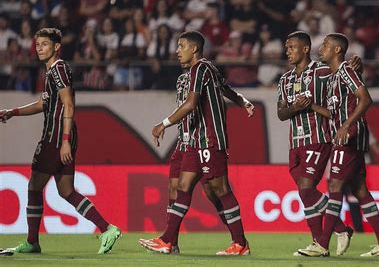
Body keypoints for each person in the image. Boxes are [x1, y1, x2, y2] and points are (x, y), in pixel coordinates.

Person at [0, 28, 121, 254]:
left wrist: (65, 140)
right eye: (38, 45)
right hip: (61, 136)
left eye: (45, 44)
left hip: (55, 137)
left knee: (34, 186)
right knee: (66, 191)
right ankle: (108, 228)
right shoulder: (52, 72)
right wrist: (12, 111)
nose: (39, 48)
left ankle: (32, 242)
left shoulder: (59, 69)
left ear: (56, 47)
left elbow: (69, 104)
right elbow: (42, 103)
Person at [140, 30, 254, 255]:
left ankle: (240, 243)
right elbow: (225, 89)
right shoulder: (203, 70)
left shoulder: (201, 68)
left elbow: (191, 104)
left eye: (181, 46)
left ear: (194, 49)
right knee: (182, 187)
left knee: (219, 189)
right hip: (195, 140)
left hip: (210, 138)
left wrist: (163, 123)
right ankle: (167, 240)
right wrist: (242, 101)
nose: (177, 51)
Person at [300, 33, 379, 257]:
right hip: (346, 136)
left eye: (325, 46)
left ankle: (322, 244)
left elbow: (365, 98)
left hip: (349, 136)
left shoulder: (345, 70)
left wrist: (345, 126)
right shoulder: (334, 78)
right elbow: (333, 112)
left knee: (334, 188)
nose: (321, 49)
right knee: (361, 191)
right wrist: (311, 105)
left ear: (337, 50)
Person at [278, 31, 359, 257]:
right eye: (287, 47)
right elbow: (281, 113)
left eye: (292, 47)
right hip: (295, 141)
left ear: (305, 49)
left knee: (305, 186)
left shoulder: (322, 72)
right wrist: (295, 108)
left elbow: (344, 74)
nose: (287, 51)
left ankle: (339, 231)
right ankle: (320, 241)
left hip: (319, 137)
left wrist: (355, 67)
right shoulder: (285, 79)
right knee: (306, 193)